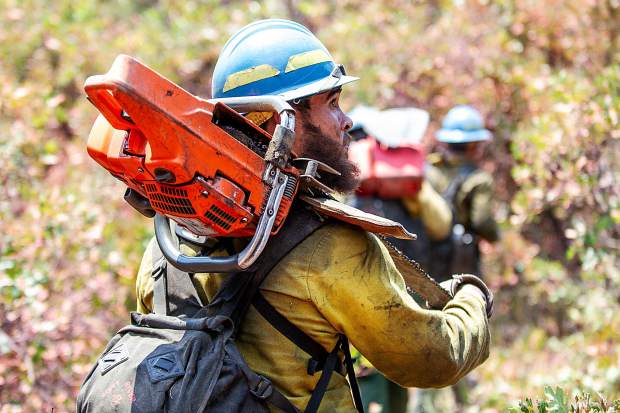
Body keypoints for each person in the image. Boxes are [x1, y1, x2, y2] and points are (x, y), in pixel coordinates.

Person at [136, 19, 492, 413]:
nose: (347, 121)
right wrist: (471, 298)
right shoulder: (333, 248)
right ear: (280, 121)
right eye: (333, 103)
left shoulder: (168, 245)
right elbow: (431, 358)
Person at [348, 119, 454, 413]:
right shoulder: (410, 181)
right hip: (409, 284)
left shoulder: (343, 176)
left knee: (365, 370)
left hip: (361, 289)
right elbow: (441, 226)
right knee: (403, 363)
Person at [427, 105, 500, 282]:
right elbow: (481, 221)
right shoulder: (479, 179)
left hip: (425, 253)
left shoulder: (429, 170)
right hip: (459, 258)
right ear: (474, 144)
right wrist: (495, 236)